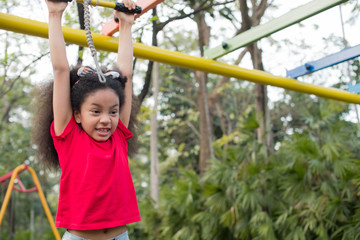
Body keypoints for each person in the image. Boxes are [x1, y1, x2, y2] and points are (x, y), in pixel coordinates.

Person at [32, 0, 141, 239]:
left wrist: (125, 25)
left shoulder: (119, 136)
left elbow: (126, 75)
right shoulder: (69, 136)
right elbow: (61, 70)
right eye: (95, 111)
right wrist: (55, 13)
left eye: (113, 111)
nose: (106, 120)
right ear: (77, 115)